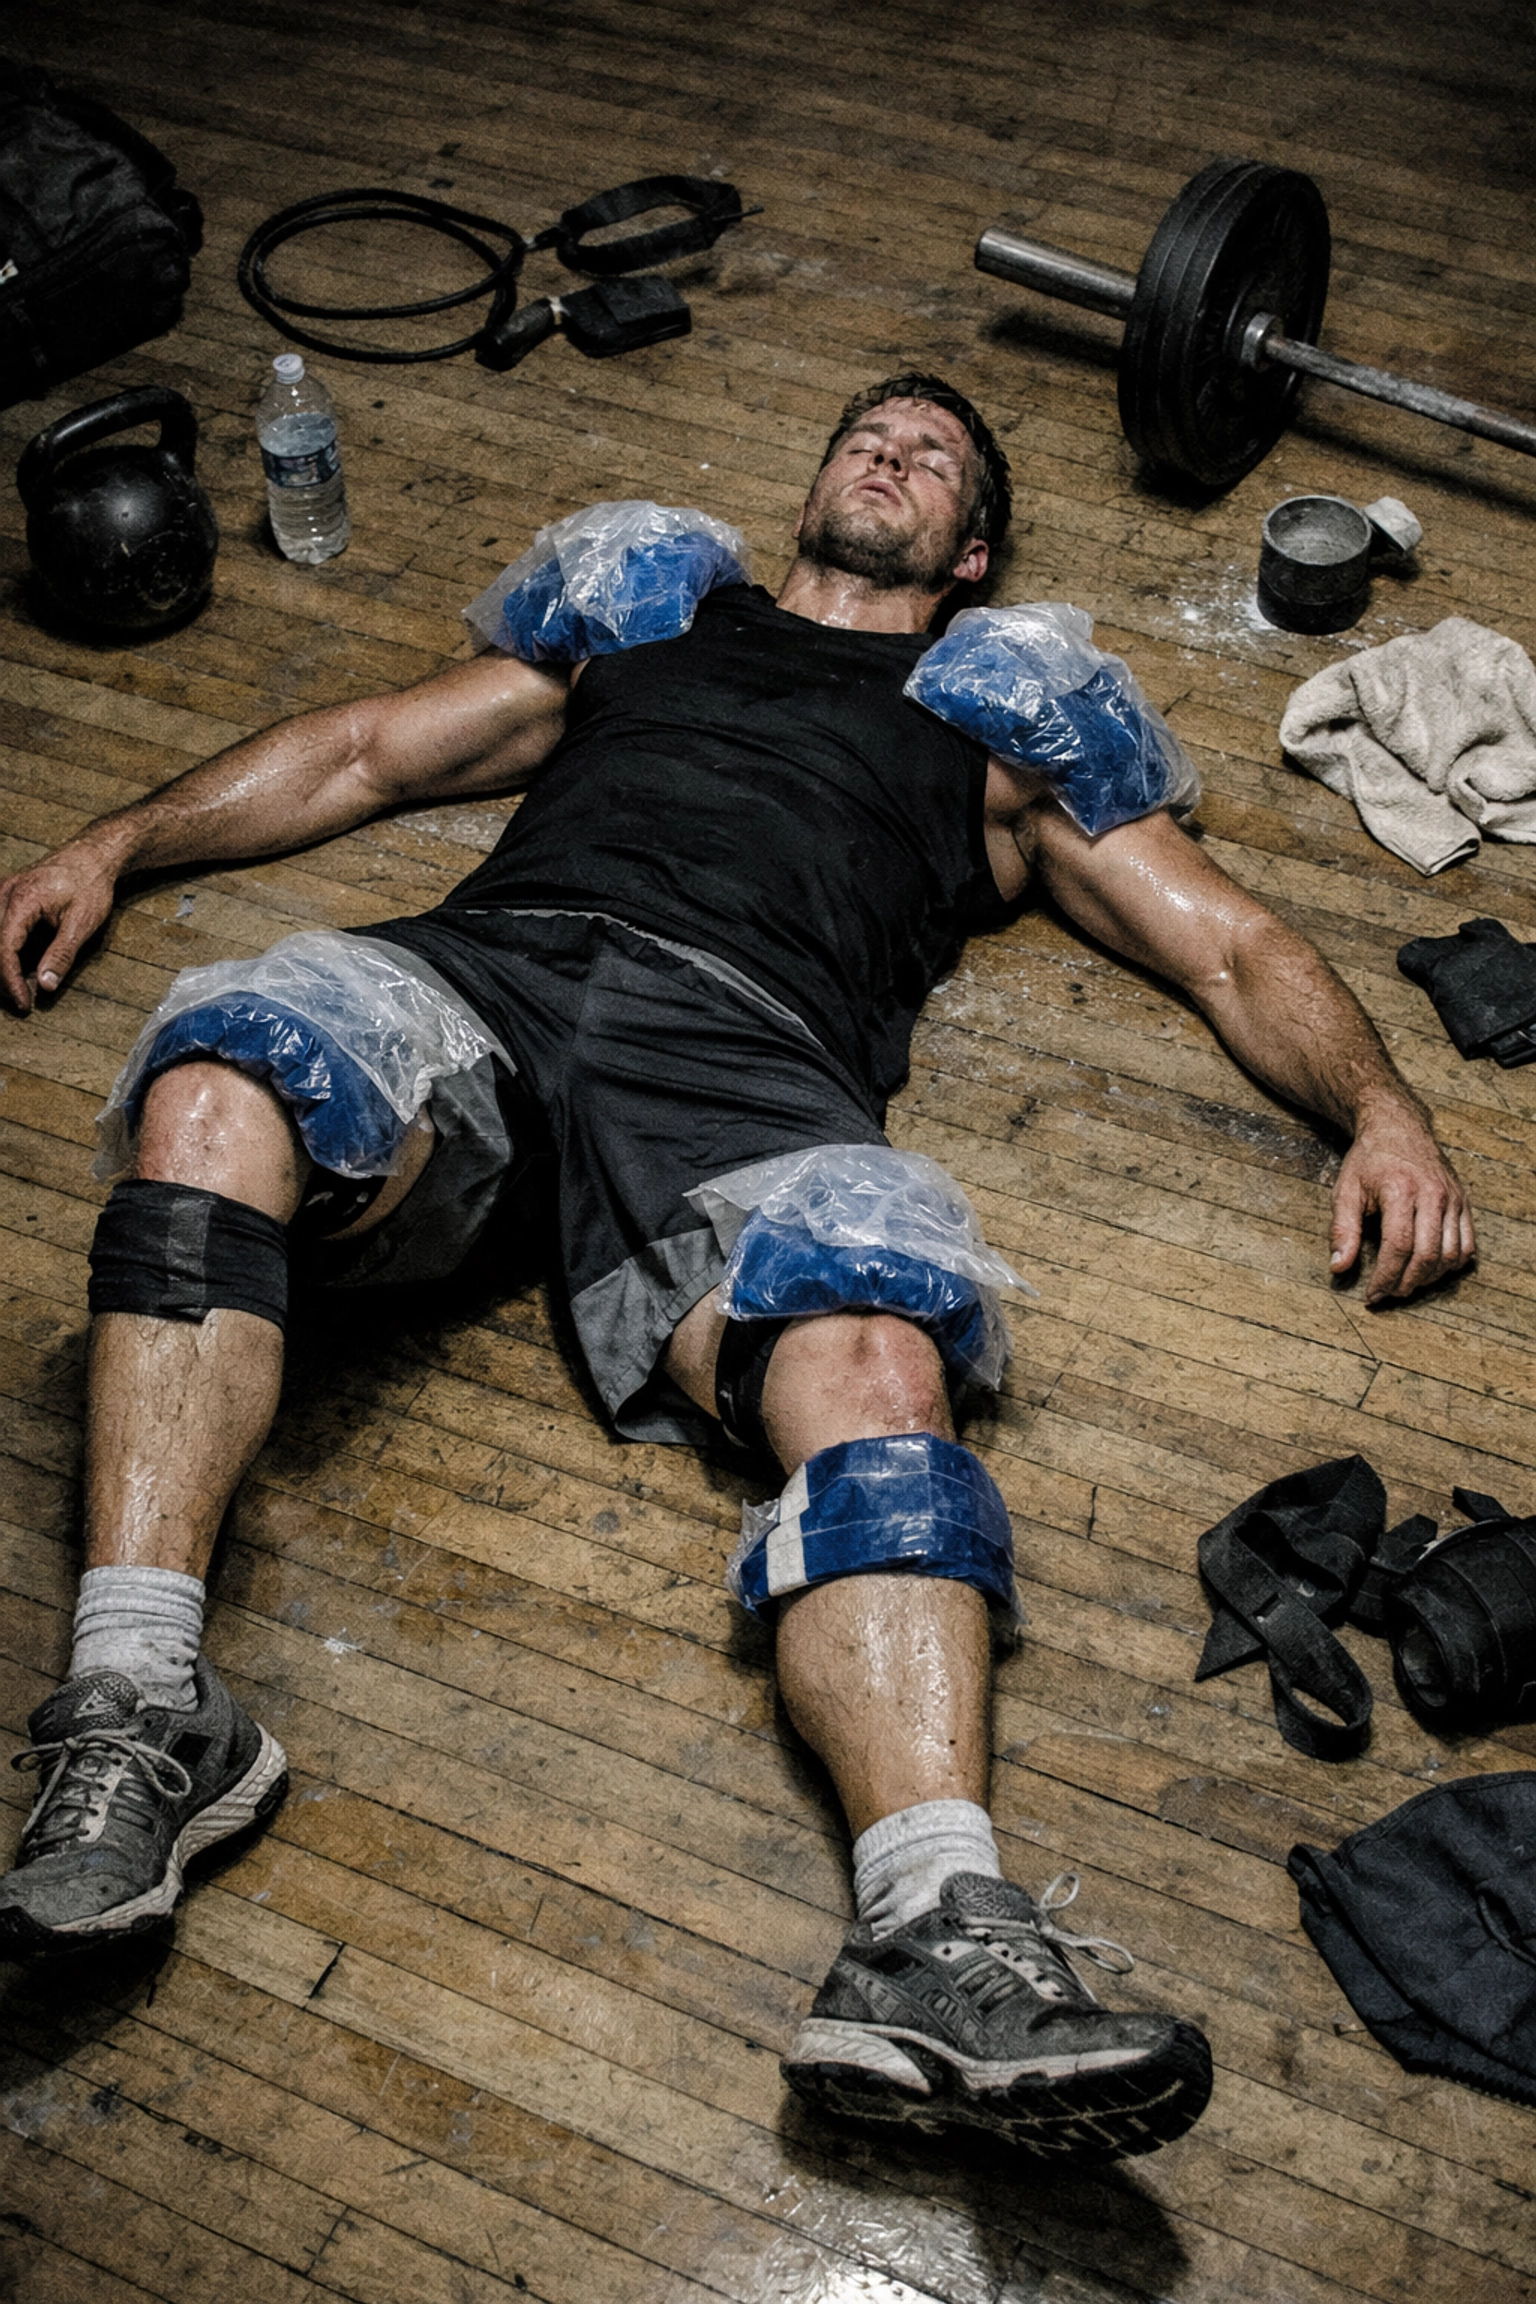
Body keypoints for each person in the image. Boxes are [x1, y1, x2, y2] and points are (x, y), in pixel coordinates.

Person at [0, 375, 1473, 2163]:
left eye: (937, 458)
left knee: (876, 1360)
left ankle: (937, 1929)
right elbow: (371, 752)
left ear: (973, 548)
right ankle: (144, 1710)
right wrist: (116, 841)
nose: (893, 453)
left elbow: (1232, 948)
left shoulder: (993, 732)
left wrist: (1381, 1111)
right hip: (501, 972)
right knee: (232, 1069)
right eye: (871, 432)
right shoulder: (655, 628)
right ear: (812, 482)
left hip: (750, 1057)